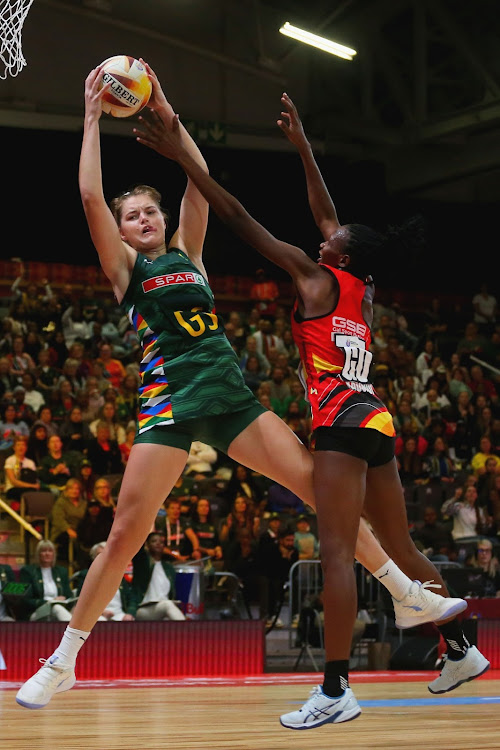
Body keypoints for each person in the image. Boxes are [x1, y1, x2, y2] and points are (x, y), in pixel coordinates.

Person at [16, 66, 472, 712]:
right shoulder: (126, 270)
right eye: (133, 215)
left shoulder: (189, 254)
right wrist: (90, 119)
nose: (143, 218)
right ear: (120, 232)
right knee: (124, 534)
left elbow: (198, 182)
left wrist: (166, 107)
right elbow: (91, 197)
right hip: (168, 408)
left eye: (150, 210)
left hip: (229, 396)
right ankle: (64, 660)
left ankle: (403, 589)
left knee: (322, 489)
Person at [138, 91, 491, 727]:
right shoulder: (363, 285)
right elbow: (327, 213)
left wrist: (186, 165)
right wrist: (302, 146)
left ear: (339, 255)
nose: (322, 237)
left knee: (336, 552)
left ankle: (334, 688)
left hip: (340, 424)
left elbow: (243, 220)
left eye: (331, 240)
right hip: (378, 420)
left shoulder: (311, 274)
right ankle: (461, 648)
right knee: (401, 545)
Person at [73, 542, 135, 621]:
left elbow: (130, 598)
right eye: (100, 554)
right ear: (94, 558)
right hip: (96, 615)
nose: (104, 557)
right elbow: (81, 602)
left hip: (119, 615)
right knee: (101, 621)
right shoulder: (86, 575)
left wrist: (130, 613)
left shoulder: (118, 575)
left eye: (107, 554)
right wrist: (102, 612)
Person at [130, 532, 185, 621]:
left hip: (163, 608)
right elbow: (137, 546)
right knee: (168, 605)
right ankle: (190, 632)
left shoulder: (168, 568)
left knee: (168, 617)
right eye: (154, 541)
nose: (158, 543)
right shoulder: (142, 563)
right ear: (147, 545)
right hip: (144, 608)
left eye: (161, 542)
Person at [19, 540, 75, 622]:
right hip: (36, 611)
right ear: (38, 554)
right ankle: (73, 632)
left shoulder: (61, 571)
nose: (47, 553)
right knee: (56, 607)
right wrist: (50, 602)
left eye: (50, 551)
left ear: (54, 554)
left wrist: (64, 599)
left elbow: (68, 595)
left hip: (60, 610)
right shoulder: (28, 571)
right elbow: (26, 600)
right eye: (43, 551)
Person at [3, 434, 40, 510]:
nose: (21, 447)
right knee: (28, 492)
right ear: (14, 447)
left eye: (23, 445)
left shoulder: (30, 463)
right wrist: (32, 486)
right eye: (18, 445)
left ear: (26, 448)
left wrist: (35, 486)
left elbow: (35, 479)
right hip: (13, 488)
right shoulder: (10, 460)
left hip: (30, 487)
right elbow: (13, 481)